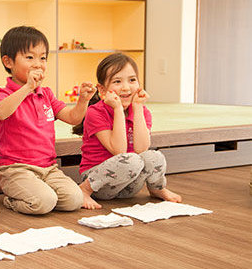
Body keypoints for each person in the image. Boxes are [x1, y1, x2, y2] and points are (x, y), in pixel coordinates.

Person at [0, 26, 96, 215]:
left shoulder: (46, 94)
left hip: (48, 168)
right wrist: (27, 88)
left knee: (74, 199)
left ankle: (40, 192)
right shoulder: (4, 94)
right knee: (43, 202)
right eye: (29, 57)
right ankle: (12, 200)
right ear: (8, 62)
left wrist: (83, 100)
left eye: (43, 58)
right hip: (16, 170)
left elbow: (73, 118)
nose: (38, 64)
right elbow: (0, 112)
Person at [72, 53, 182, 210]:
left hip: (128, 185)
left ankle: (156, 188)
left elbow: (141, 148)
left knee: (153, 156)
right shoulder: (95, 112)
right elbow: (119, 151)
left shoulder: (142, 111)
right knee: (132, 160)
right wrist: (117, 109)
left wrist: (137, 108)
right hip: (99, 184)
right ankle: (84, 189)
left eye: (132, 80)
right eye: (117, 81)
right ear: (102, 90)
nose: (126, 87)